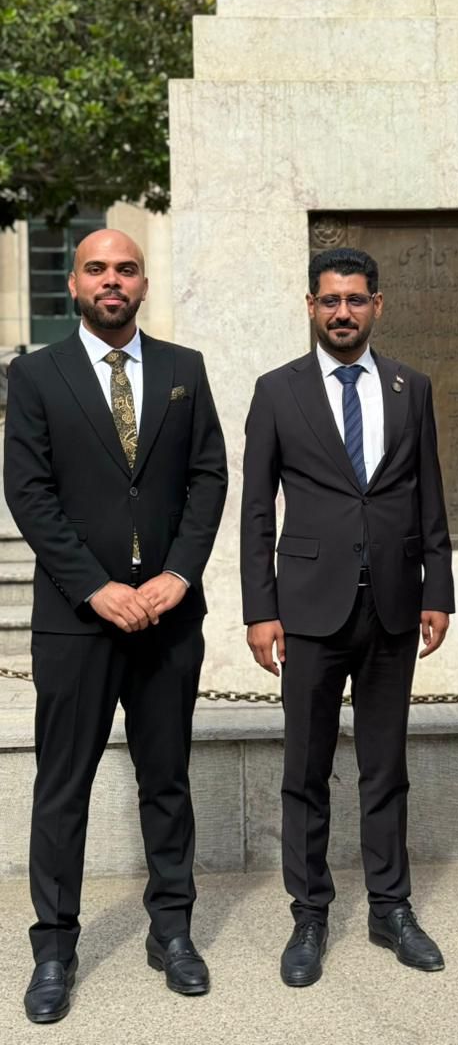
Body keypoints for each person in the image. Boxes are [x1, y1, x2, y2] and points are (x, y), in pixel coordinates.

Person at [3, 230, 227, 1024]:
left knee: (166, 781)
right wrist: (95, 587)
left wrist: (178, 575)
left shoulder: (183, 369)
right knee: (63, 786)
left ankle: (172, 932)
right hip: (77, 621)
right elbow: (30, 493)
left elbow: (208, 479)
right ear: (74, 284)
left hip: (169, 617)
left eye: (126, 269)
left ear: (142, 284)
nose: (112, 279)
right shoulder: (36, 376)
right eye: (96, 268)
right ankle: (55, 949)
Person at [241, 246, 454, 986]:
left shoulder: (410, 387)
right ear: (310, 306)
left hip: (393, 605)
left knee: (385, 767)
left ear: (377, 305)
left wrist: (437, 590)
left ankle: (390, 908)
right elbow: (257, 510)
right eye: (329, 300)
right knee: (305, 768)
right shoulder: (277, 391)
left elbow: (430, 497)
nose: (342, 312)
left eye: (355, 299)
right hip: (307, 610)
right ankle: (309, 913)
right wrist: (260, 608)